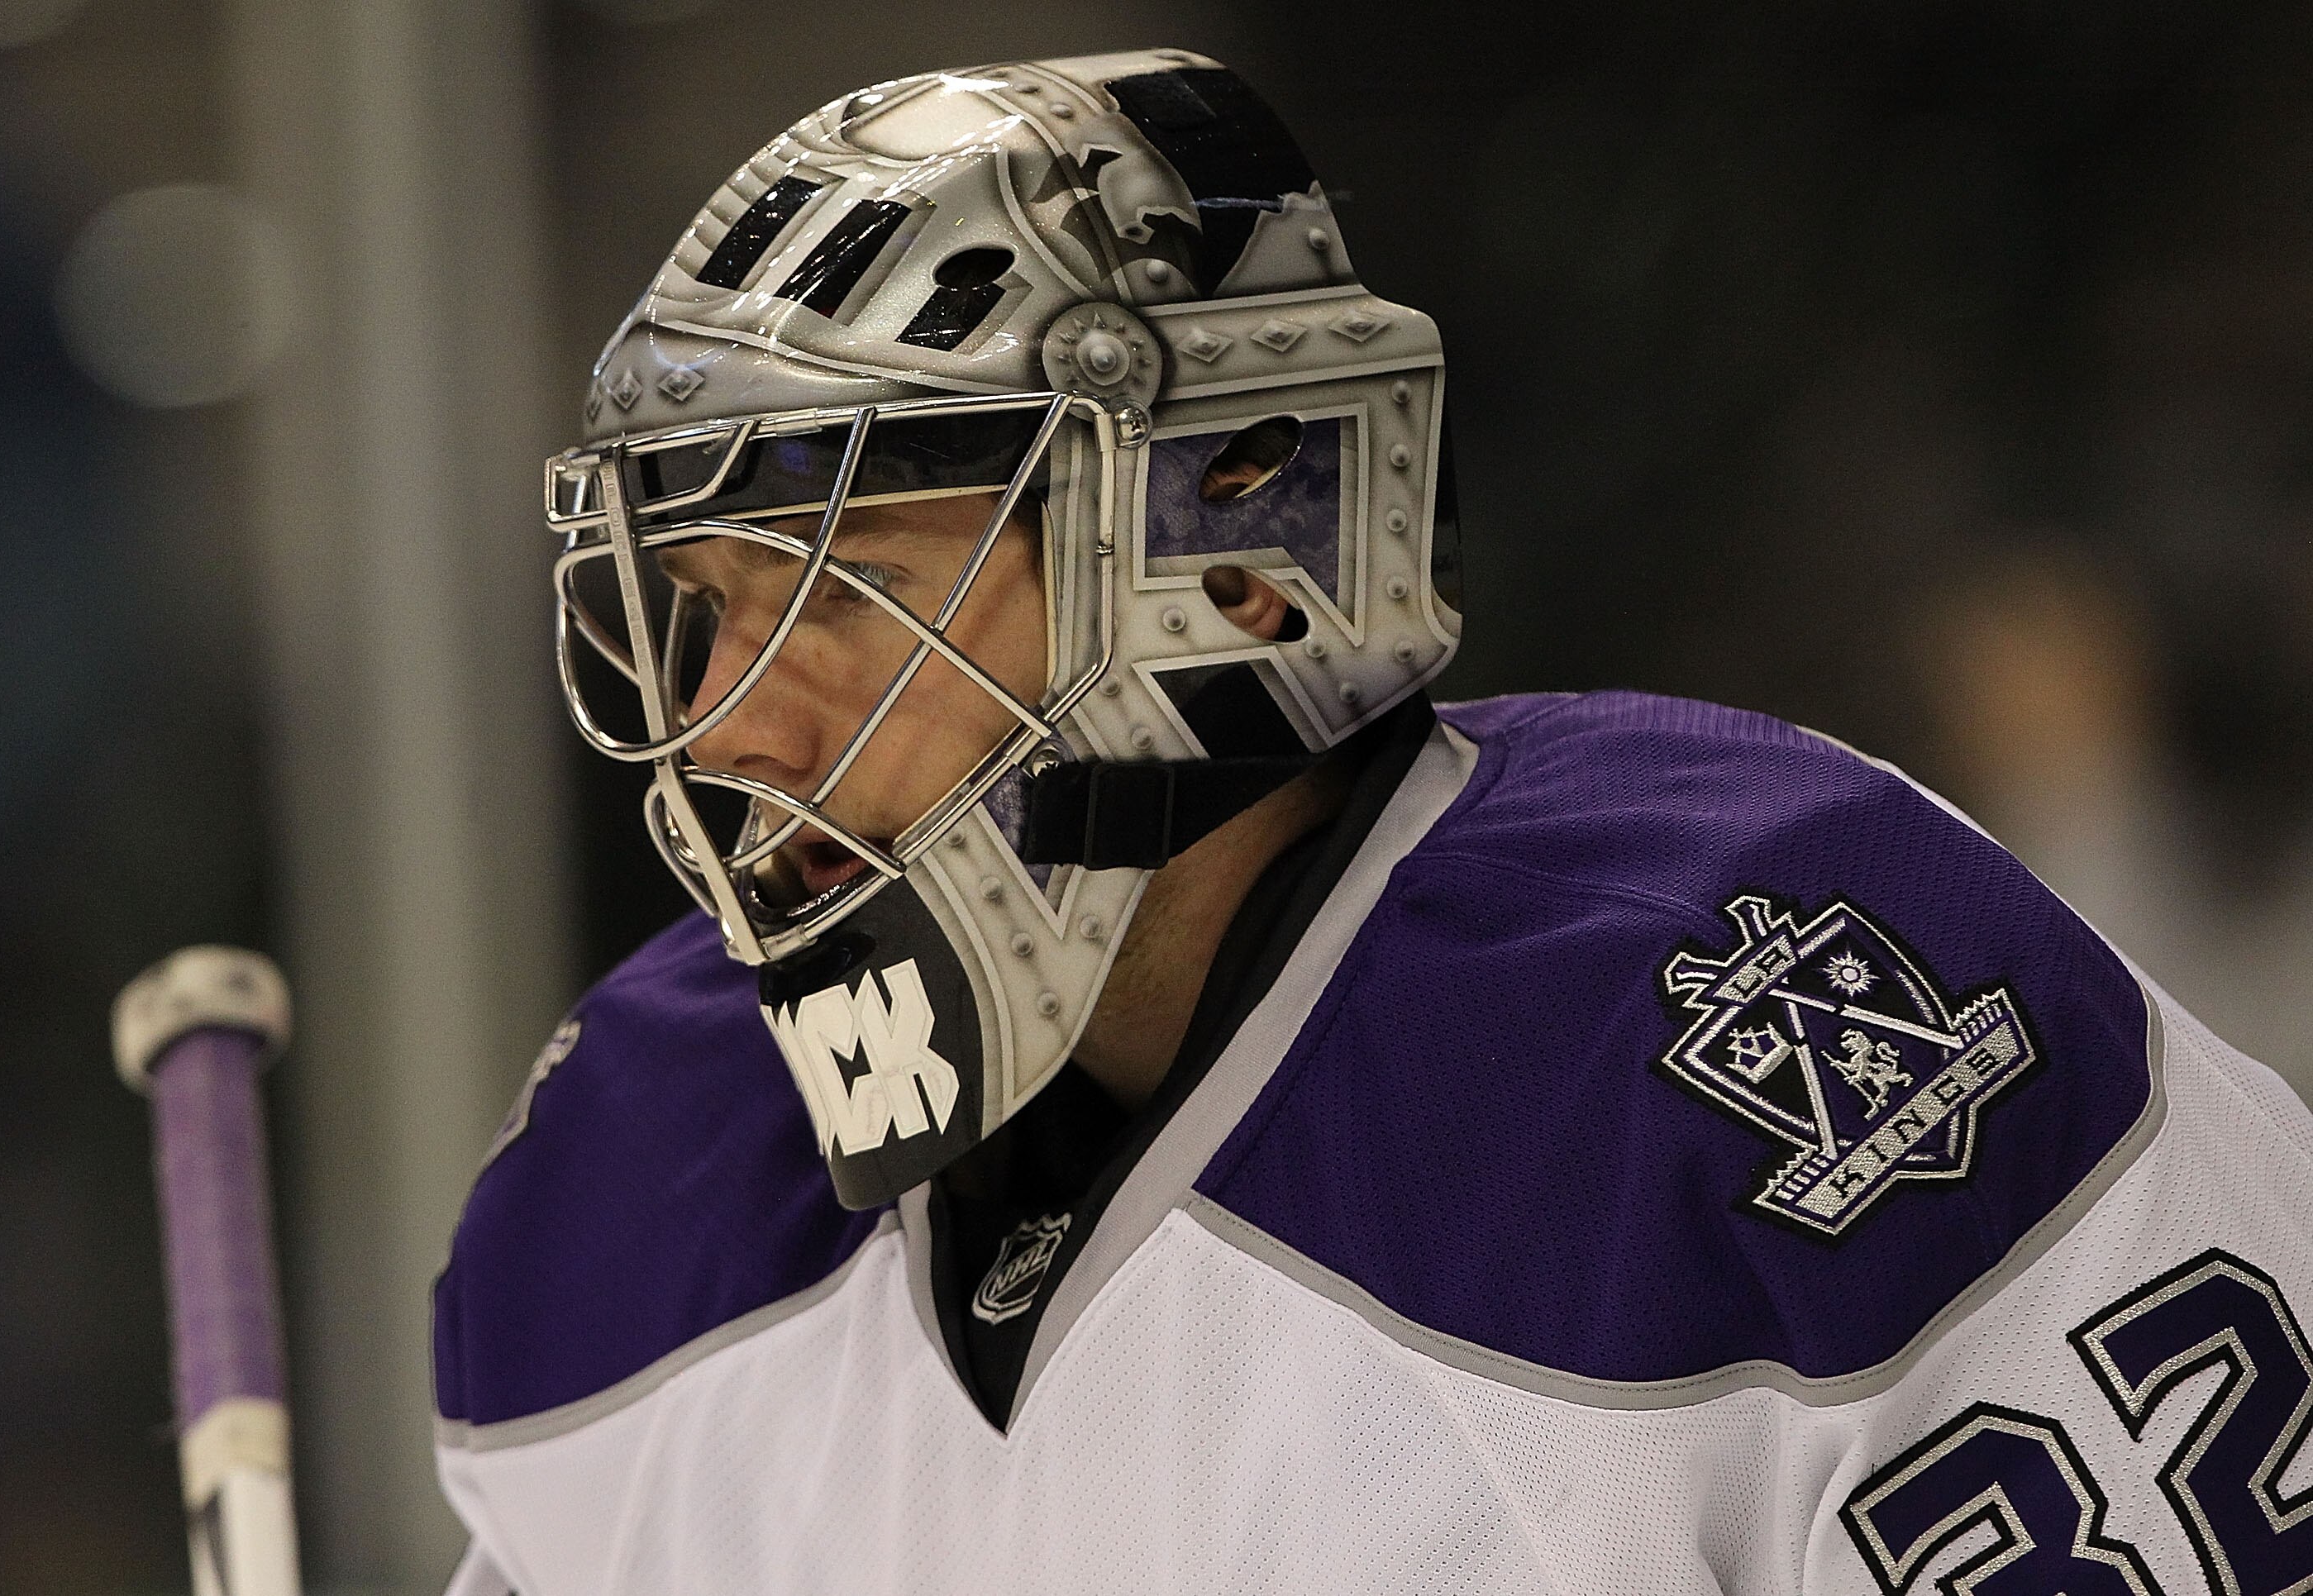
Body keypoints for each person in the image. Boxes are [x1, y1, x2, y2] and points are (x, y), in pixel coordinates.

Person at [431, 50, 2313, 1596]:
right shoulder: (628, 1180)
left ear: (1231, 562)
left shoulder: (1759, 1007)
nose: (735, 722)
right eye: (708, 607)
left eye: (843, 593)